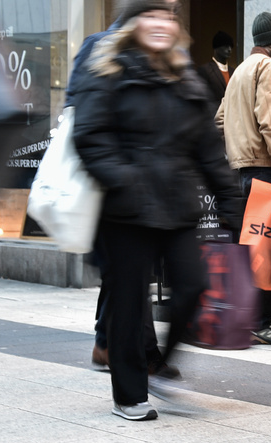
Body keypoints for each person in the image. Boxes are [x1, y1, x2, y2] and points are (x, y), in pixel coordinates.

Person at [73, 0, 244, 421]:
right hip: (125, 210)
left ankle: (159, 365)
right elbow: (90, 137)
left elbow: (207, 148)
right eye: (149, 15)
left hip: (177, 206)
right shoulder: (107, 71)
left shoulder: (184, 76)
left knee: (193, 285)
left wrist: (231, 203)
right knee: (129, 304)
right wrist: (125, 180)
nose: (160, 23)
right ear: (131, 24)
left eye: (167, 16)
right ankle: (129, 394)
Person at [65, 2, 175, 374]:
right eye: (157, 11)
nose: (163, 20)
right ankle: (136, 353)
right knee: (127, 273)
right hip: (114, 184)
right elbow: (75, 110)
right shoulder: (99, 45)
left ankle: (108, 343)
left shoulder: (167, 56)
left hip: (150, 185)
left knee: (128, 274)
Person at [215, 11, 271, 346]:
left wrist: (235, 150)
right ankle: (262, 322)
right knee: (265, 248)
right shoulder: (270, 68)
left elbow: (219, 120)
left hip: (238, 171)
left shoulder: (239, 72)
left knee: (244, 248)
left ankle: (242, 318)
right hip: (264, 170)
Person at [196, 30, 233, 115]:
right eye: (225, 46)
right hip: (212, 118)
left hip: (231, 119)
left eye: (231, 46)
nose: (229, 50)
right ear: (216, 48)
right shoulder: (205, 70)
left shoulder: (234, 72)